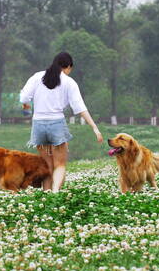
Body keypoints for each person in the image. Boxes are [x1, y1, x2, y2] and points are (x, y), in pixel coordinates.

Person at [20, 52, 103, 192]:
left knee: (47, 165)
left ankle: (46, 196)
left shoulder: (37, 77)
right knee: (60, 164)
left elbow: (24, 98)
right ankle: (55, 192)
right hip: (56, 124)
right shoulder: (69, 82)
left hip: (38, 124)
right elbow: (80, 107)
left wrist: (26, 107)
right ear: (68, 67)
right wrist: (94, 127)